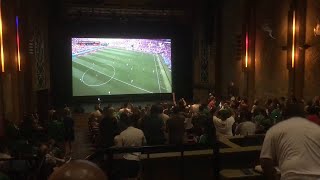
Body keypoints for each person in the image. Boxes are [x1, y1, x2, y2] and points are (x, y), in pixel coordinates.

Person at [260, 103, 320, 180]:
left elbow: (265, 161)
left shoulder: (274, 130)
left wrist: (273, 175)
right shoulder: (317, 129)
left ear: (284, 115)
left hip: (292, 177)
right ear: (305, 115)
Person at [113, 112, 146, 179]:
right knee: (137, 176)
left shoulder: (122, 133)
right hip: (138, 157)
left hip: (127, 159)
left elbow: (119, 149)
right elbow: (145, 143)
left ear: (125, 124)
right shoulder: (140, 131)